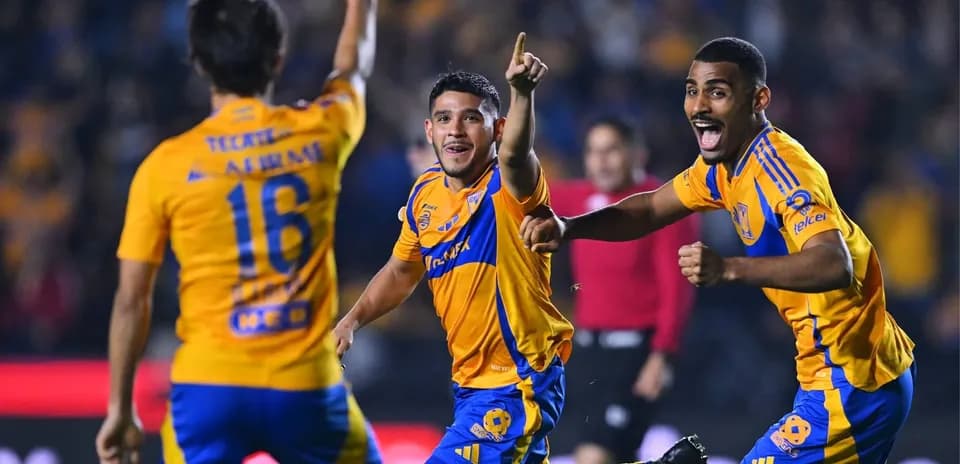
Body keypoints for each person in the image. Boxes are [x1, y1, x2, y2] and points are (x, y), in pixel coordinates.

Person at [520, 37, 916, 464]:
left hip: (854, 379)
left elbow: (833, 263)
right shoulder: (721, 168)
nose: (699, 106)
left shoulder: (782, 170)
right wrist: (570, 228)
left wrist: (728, 268)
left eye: (718, 92)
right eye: (692, 90)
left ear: (759, 98)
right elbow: (651, 207)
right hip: (845, 371)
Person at [94, 0, 380, 462]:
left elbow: (132, 300)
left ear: (200, 65)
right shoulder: (321, 131)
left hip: (209, 390)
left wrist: (120, 409)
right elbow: (353, 68)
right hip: (304, 385)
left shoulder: (165, 166)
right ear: (278, 59)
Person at [334, 33, 573, 463]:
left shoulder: (508, 187)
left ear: (497, 128)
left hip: (517, 383)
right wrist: (351, 321)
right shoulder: (425, 193)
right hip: (470, 385)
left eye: (471, 119)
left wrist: (521, 94)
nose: (455, 131)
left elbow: (517, 155)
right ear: (429, 130)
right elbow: (401, 272)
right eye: (443, 119)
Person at [550, 117, 699, 464]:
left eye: (612, 150)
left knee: (595, 454)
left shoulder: (662, 205)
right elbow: (519, 191)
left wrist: (662, 355)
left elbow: (676, 289)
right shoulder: (579, 199)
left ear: (638, 153)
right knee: (615, 453)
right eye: (593, 151)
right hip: (589, 353)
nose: (601, 160)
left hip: (636, 353)